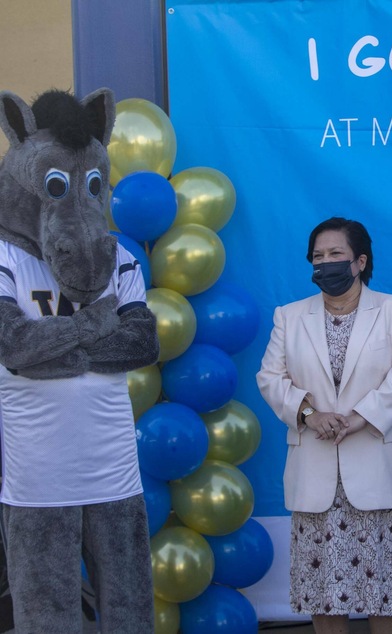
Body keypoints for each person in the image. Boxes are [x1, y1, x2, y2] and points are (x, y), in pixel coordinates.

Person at [0, 88, 158, 633]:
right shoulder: (5, 257)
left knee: (130, 611)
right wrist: (92, 327)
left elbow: (141, 344)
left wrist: (58, 348)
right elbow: (13, 346)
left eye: (92, 187)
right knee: (46, 616)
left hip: (115, 473)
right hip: (37, 482)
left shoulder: (122, 258)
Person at [257, 217, 392, 634]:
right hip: (316, 476)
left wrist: (357, 418)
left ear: (360, 261)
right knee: (324, 592)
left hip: (378, 469)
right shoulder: (289, 317)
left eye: (336, 255)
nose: (325, 263)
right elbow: (270, 378)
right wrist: (310, 415)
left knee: (385, 592)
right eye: (318, 256)